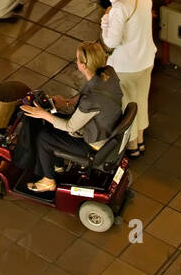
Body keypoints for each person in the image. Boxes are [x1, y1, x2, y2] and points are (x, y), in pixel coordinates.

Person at [20, 42, 124, 193]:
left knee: (43, 137)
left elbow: (70, 127)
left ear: (82, 65)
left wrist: (43, 114)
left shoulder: (91, 100)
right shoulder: (108, 73)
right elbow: (88, 93)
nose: (76, 61)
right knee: (50, 122)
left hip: (94, 144)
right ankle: (57, 166)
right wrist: (66, 102)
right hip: (105, 127)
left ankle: (48, 181)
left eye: (77, 59)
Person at [101, 0, 155, 158]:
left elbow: (111, 41)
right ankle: (140, 139)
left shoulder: (119, 7)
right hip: (146, 59)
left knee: (127, 104)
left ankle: (132, 145)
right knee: (141, 100)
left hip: (126, 66)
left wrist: (105, 18)